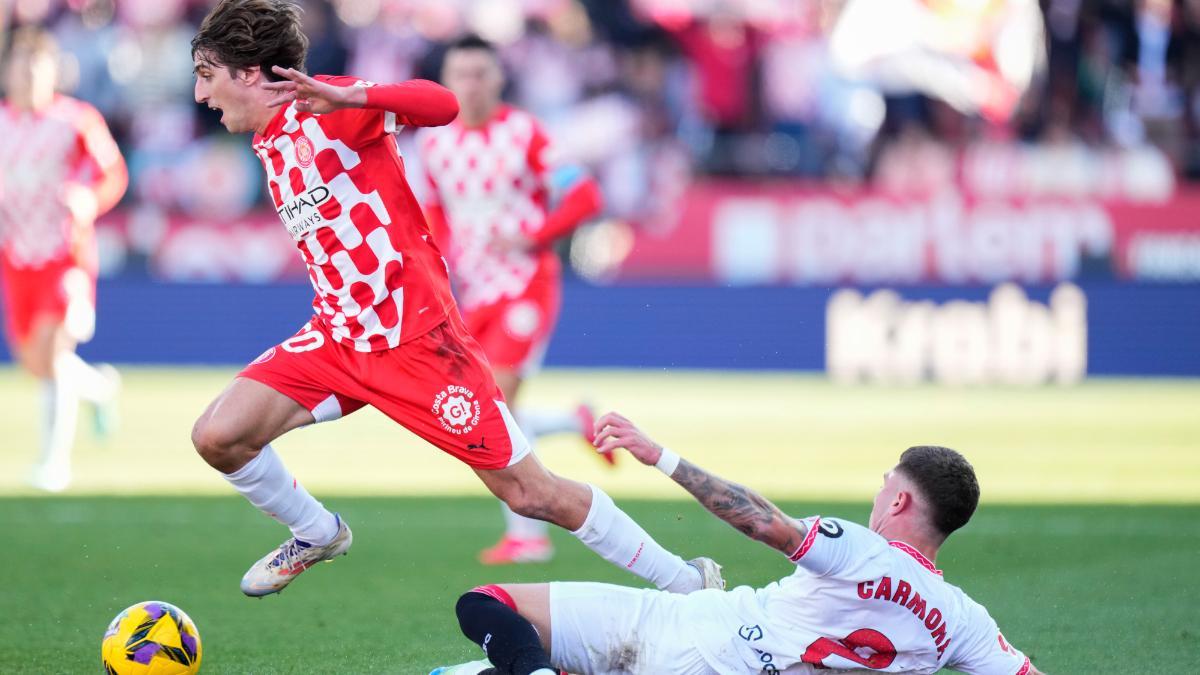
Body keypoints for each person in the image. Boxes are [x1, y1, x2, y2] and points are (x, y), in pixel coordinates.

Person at [187, 0, 721, 599]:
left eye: (208, 74)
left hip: (418, 342)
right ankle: (316, 532)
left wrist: (354, 98)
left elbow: (440, 105)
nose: (202, 95)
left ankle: (687, 584)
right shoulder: (270, 136)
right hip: (338, 337)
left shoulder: (328, 106)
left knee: (531, 492)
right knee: (217, 436)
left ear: (251, 72)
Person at [432, 412, 1043, 675]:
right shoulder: (962, 621)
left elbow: (760, 520)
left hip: (689, 633)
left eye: (887, 486)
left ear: (902, 503)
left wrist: (660, 456)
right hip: (714, 643)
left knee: (483, 604)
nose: (879, 494)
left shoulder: (863, 551)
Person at [417, 35, 608, 566]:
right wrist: (436, 274)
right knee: (487, 409)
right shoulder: (434, 144)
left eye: (481, 73)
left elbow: (586, 195)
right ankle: (575, 420)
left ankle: (528, 537)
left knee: (494, 405)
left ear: (499, 79)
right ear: (447, 81)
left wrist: (535, 235)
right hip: (474, 293)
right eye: (462, 74)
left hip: (527, 282)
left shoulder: (526, 133)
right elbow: (433, 216)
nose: (472, 84)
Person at [0, 26, 127, 492]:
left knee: (55, 354)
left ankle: (54, 464)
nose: (29, 77)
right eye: (20, 67)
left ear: (52, 73)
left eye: (37, 68)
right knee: (33, 362)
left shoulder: (76, 120)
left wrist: (88, 200)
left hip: (64, 253)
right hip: (16, 255)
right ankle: (100, 388)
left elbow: (113, 173)